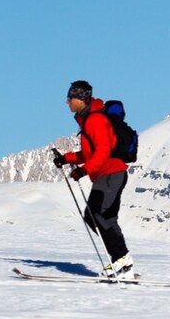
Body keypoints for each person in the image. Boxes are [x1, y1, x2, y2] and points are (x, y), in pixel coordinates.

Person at [53, 80, 134, 278]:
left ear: (81, 99)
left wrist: (84, 170)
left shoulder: (95, 120)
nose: (67, 102)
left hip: (111, 173)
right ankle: (121, 261)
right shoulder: (89, 119)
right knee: (95, 216)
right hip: (106, 175)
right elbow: (91, 152)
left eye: (70, 98)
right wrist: (67, 158)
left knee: (100, 215)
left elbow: (104, 150)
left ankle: (122, 261)